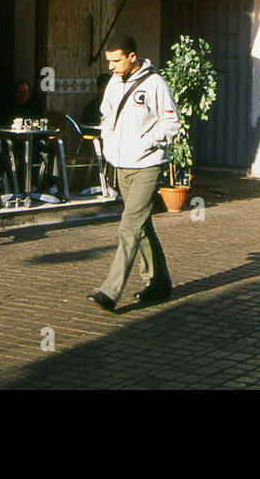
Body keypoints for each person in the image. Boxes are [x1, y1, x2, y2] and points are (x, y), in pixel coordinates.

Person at [88, 35, 180, 313]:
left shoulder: (154, 84)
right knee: (141, 227)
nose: (112, 66)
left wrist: (147, 141)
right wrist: (107, 142)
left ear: (132, 57)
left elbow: (171, 122)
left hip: (147, 165)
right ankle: (159, 282)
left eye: (116, 60)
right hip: (121, 165)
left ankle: (109, 291)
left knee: (129, 226)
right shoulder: (114, 84)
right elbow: (106, 115)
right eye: (109, 61)